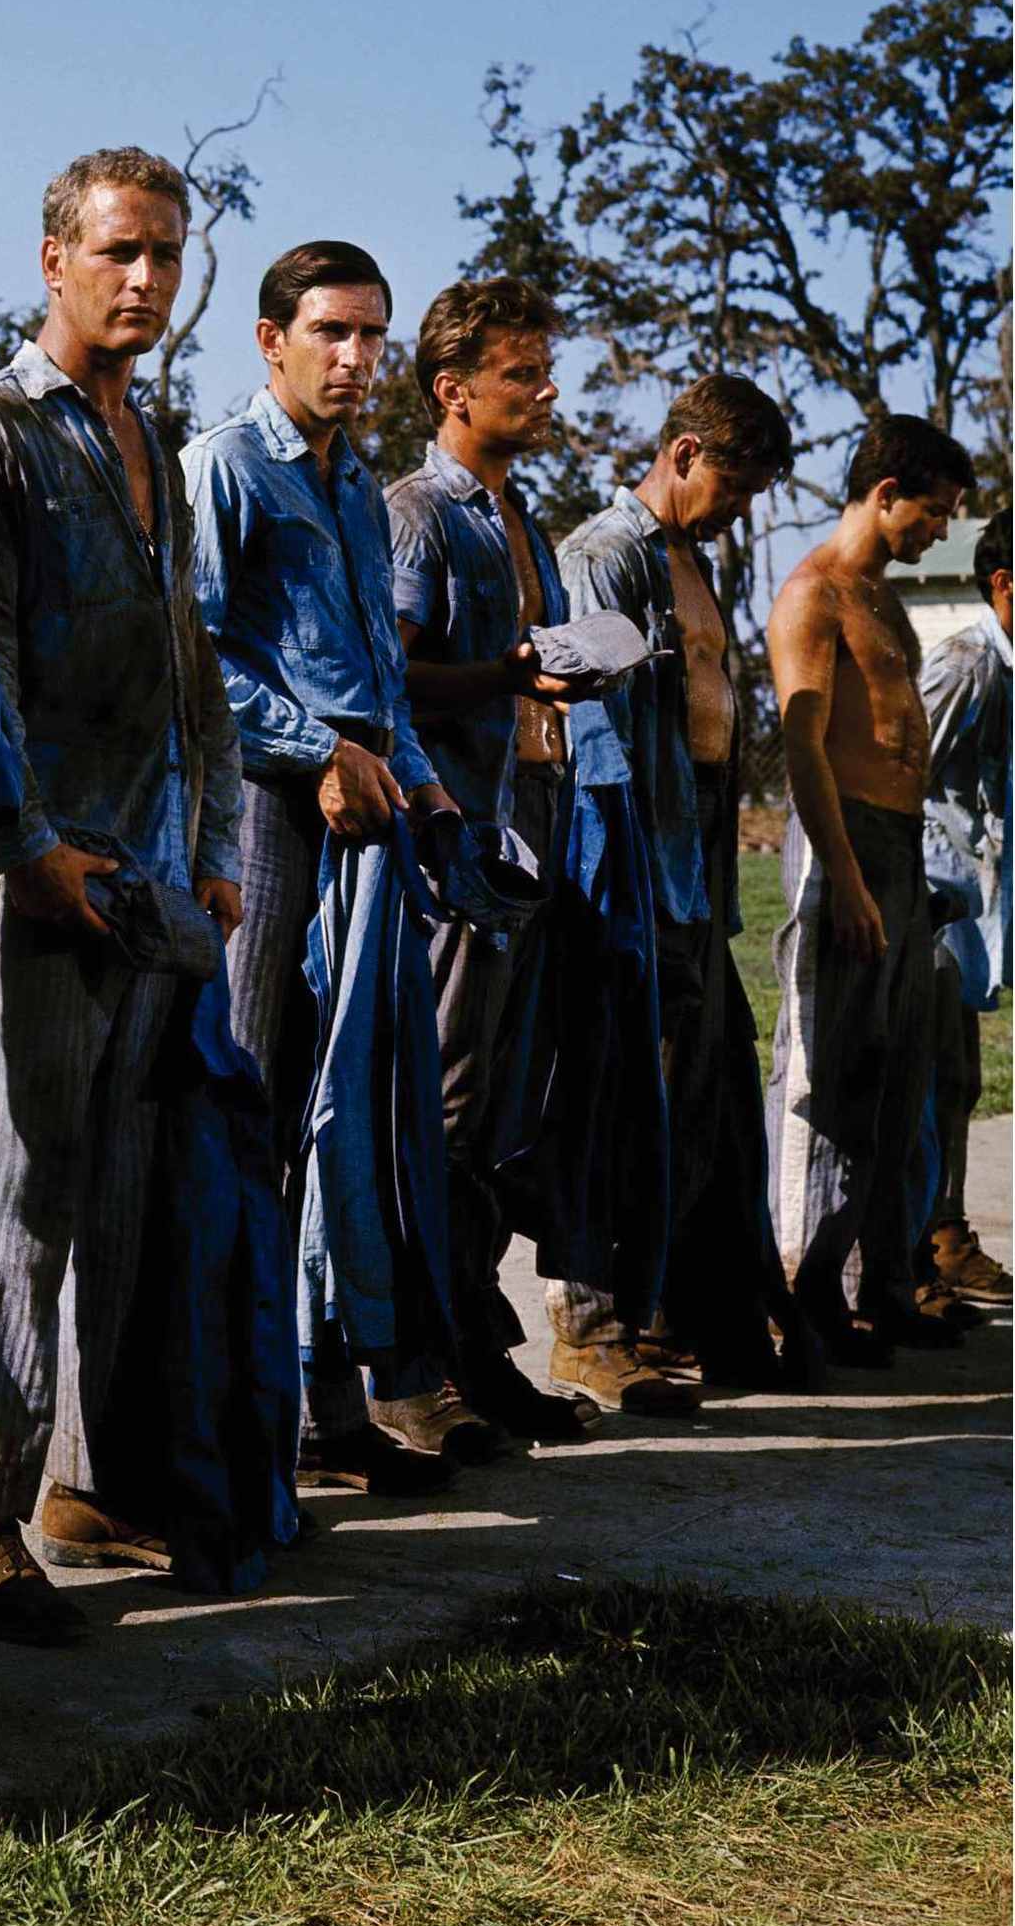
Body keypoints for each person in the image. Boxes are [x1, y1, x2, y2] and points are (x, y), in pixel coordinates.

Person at [0, 147, 244, 1643]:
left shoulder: (148, 445)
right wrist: (24, 848)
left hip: (157, 880)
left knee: (126, 1193)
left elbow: (194, 675)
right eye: (119, 251)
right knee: (19, 1193)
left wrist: (220, 847)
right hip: (34, 877)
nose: (146, 280)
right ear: (52, 259)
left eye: (167, 255)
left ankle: (90, 1486)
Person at [183, 242, 475, 1491]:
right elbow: (196, 657)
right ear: (270, 339)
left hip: (364, 825)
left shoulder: (358, 485)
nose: (355, 360)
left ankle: (326, 1406)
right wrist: (317, 752)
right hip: (262, 814)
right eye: (331, 334)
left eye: (371, 336)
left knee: (340, 1114)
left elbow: (375, 670)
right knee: (247, 1102)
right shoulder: (223, 466)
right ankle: (233, 1419)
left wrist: (413, 771)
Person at [544, 375, 799, 1410]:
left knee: (703, 1093)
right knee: (618, 1090)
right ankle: (589, 1323)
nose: (739, 508)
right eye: (731, 484)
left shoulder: (694, 559)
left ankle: (675, 1308)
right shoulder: (604, 553)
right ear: (684, 452)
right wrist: (628, 888)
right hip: (630, 854)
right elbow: (599, 735)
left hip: (691, 852)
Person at [386, 277, 605, 1443]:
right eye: (518, 373)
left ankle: (476, 1343)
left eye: (541, 367)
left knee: (503, 1109)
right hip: (459, 843)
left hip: (534, 826)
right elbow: (393, 677)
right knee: (448, 1101)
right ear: (452, 390)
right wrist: (509, 674)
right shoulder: (417, 513)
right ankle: (420, 1362)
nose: (543, 390)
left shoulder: (515, 515)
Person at [767, 415, 977, 1363]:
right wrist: (844, 880)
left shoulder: (880, 594)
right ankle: (796, 1299)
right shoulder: (813, 592)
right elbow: (802, 749)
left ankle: (874, 1288)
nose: (938, 532)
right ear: (884, 493)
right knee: (826, 1080)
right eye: (930, 513)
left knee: (896, 1082)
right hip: (840, 848)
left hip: (896, 852)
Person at [917, 506, 1012, 1309]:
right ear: (1003, 584)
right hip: (930, 898)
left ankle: (944, 1234)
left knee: (956, 1076)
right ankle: (908, 1253)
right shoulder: (966, 663)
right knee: (924, 1076)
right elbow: (901, 770)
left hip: (971, 903)